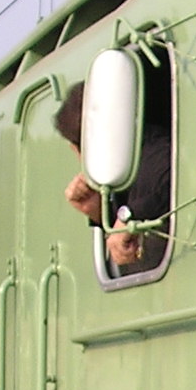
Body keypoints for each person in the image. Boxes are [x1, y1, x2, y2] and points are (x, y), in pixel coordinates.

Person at [53, 56, 173, 277]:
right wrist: (99, 211)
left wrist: (128, 217)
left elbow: (173, 177)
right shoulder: (127, 170)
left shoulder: (154, 150)